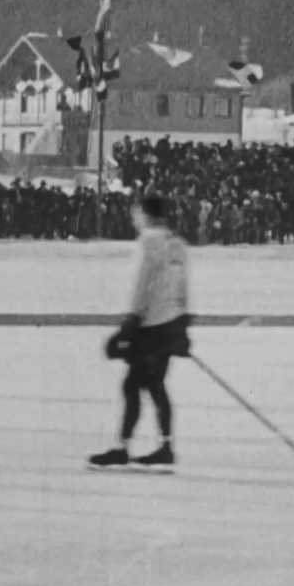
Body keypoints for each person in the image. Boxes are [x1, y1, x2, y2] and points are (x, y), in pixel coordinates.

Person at [89, 194, 192, 471]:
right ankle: (166, 446)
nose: (134, 219)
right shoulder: (177, 244)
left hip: (150, 327)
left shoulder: (149, 241)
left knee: (134, 385)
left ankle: (124, 448)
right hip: (170, 324)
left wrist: (129, 324)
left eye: (136, 213)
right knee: (154, 385)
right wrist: (183, 327)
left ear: (145, 213)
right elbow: (183, 287)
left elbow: (142, 284)